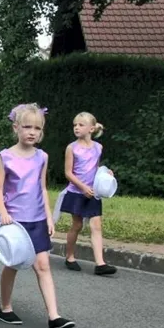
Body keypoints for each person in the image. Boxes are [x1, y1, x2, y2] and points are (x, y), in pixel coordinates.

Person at [0, 103, 75, 328]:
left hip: (37, 219)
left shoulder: (42, 157)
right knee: (13, 265)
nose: (32, 132)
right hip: (15, 222)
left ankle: (54, 316)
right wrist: (3, 213)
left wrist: (49, 217)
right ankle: (5, 307)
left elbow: (42, 188)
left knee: (43, 265)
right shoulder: (5, 157)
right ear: (16, 127)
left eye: (37, 128)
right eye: (27, 127)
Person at [60, 112, 117, 275]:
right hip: (77, 192)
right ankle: (70, 256)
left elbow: (95, 168)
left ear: (91, 129)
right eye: (75, 125)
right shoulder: (72, 148)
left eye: (81, 125)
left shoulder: (98, 147)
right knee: (77, 225)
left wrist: (106, 173)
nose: (76, 128)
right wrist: (83, 187)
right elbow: (68, 173)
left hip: (93, 193)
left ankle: (100, 264)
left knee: (96, 226)